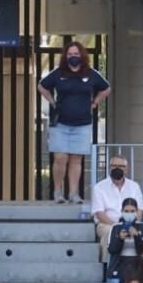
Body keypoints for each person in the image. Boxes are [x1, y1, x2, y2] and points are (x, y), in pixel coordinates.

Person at [38, 41, 110, 204]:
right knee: (60, 158)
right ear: (65, 56)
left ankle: (73, 193)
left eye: (76, 54)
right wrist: (52, 101)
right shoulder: (59, 73)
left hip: (82, 124)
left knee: (76, 159)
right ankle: (57, 191)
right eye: (70, 54)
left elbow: (106, 88)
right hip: (61, 123)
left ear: (82, 56)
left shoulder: (91, 74)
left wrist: (95, 102)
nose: (73, 57)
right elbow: (42, 86)